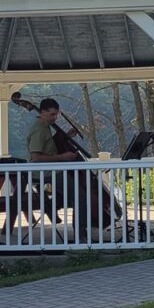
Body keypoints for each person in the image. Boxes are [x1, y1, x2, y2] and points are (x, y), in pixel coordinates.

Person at [26, 98, 87, 240]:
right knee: (80, 196)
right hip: (44, 171)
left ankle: (50, 206)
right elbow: (35, 158)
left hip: (52, 169)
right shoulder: (38, 129)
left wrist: (66, 136)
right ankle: (80, 235)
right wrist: (63, 157)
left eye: (56, 115)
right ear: (42, 112)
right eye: (51, 114)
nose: (54, 118)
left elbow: (49, 146)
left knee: (72, 192)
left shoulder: (44, 127)